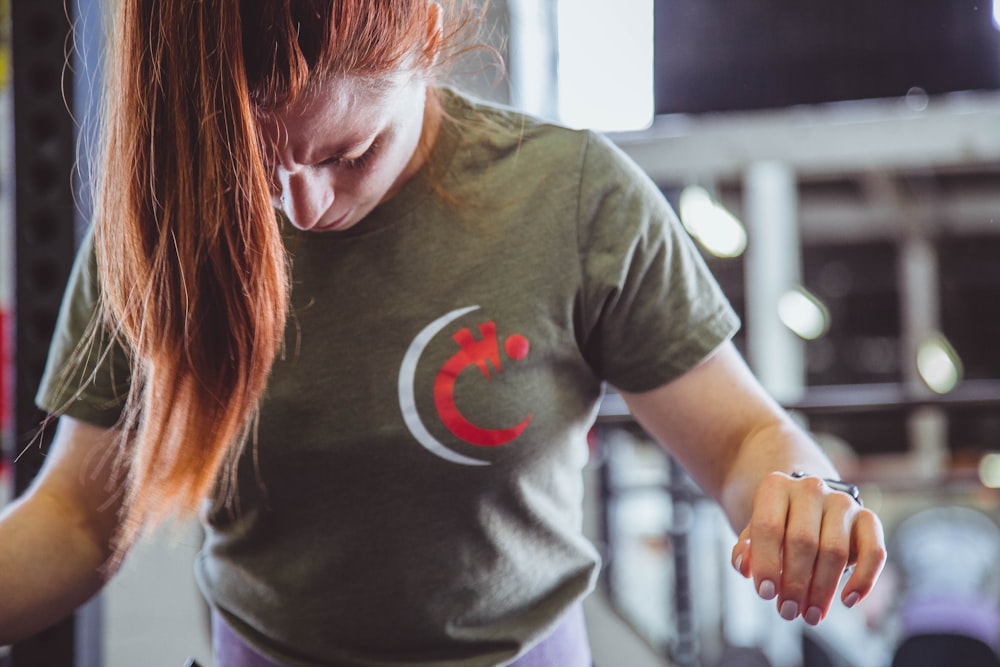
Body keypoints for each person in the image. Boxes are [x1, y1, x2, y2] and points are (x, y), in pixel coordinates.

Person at [0, 1, 887, 665]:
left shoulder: (568, 199)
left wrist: (800, 492)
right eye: (256, 164)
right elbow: (79, 518)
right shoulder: (170, 221)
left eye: (348, 154)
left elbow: (743, 440)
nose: (304, 206)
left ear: (425, 40)